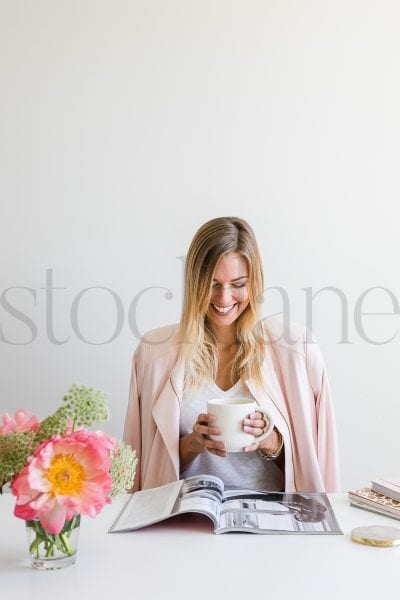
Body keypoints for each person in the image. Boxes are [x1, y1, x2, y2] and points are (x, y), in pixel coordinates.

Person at [123, 216, 340, 493]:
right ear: (194, 283)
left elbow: (319, 468)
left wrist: (270, 442)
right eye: (212, 284)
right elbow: (134, 470)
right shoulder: (153, 353)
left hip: (271, 522)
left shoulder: (297, 350)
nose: (224, 298)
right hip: (184, 521)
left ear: (255, 283)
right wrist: (193, 444)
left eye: (238, 284)